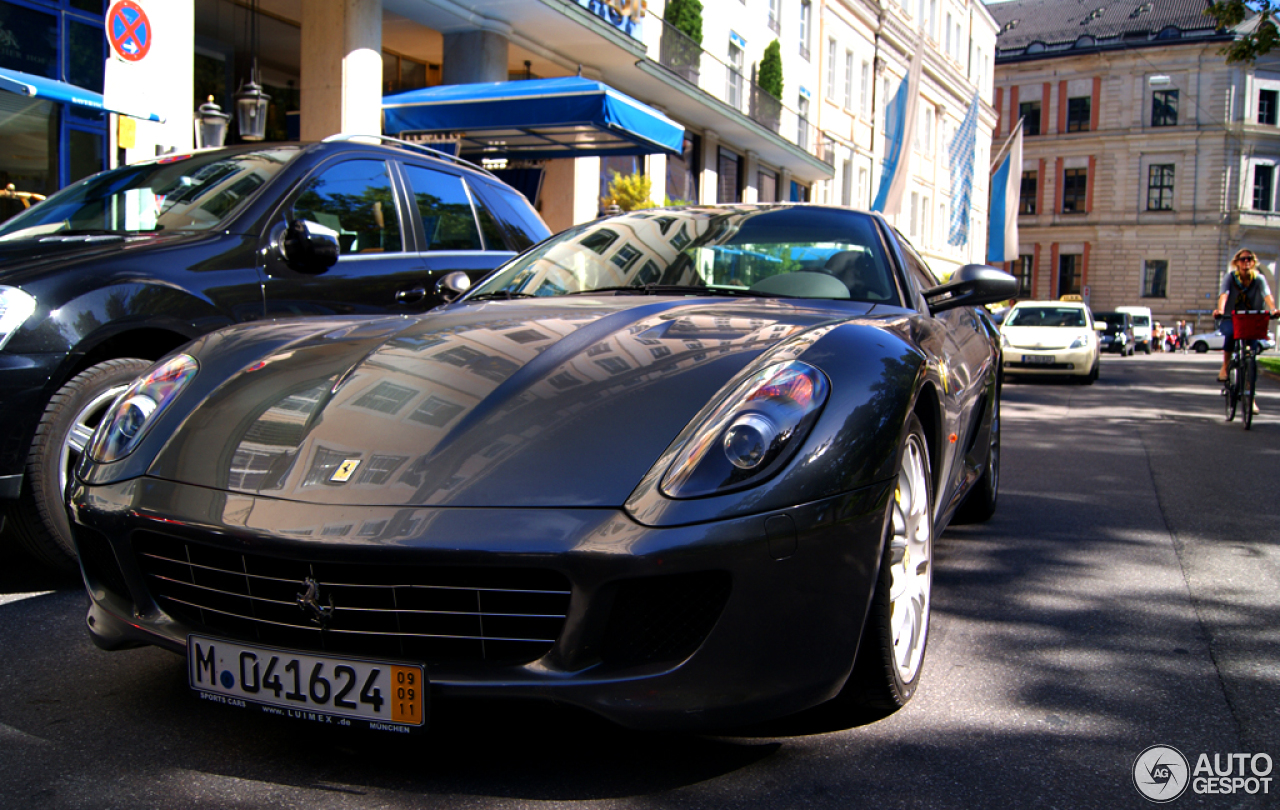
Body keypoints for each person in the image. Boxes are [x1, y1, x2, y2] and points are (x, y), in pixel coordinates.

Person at [1214, 248, 1279, 411]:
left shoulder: (1259, 279)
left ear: (1253, 262)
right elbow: (1224, 294)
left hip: (1252, 318)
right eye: (1242, 259)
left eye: (1249, 259)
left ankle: (1251, 397)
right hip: (1232, 317)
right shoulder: (1230, 278)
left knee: (1252, 358)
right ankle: (1225, 366)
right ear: (1236, 263)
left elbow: (1267, 294)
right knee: (1230, 334)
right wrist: (1221, 310)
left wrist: (1273, 308)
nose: (1246, 262)